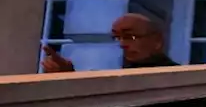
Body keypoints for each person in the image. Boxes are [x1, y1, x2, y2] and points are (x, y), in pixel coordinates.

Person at [41, 13, 178, 73]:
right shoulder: (126, 75)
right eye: (117, 38)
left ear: (157, 41)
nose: (122, 44)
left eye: (130, 36)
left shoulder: (175, 77)